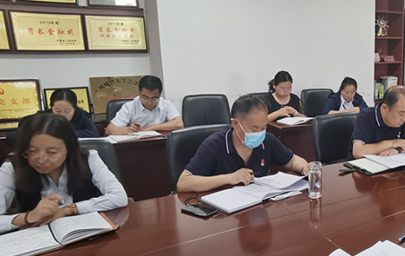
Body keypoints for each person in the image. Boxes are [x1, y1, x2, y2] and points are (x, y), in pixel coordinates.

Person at [0, 113, 127, 236]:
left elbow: (119, 197)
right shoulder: (12, 169)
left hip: (85, 238)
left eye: (52, 152)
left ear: (69, 148)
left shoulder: (88, 158)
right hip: (39, 242)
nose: (41, 159)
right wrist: (28, 217)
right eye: (32, 151)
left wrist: (68, 210)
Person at [176, 94, 310, 192]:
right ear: (235, 124)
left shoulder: (267, 140)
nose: (260, 133)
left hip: (256, 208)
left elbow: (292, 160)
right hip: (222, 213)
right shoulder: (214, 144)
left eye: (264, 127)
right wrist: (228, 178)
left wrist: (305, 168)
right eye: (255, 128)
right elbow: (183, 183)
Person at [349, 86, 405, 159]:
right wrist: (391, 143)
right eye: (401, 113)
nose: (404, 118)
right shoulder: (366, 116)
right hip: (360, 167)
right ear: (384, 108)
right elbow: (358, 152)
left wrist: (398, 150)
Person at [105, 75, 183, 135]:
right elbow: (109, 130)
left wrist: (151, 128)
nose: (149, 102)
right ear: (139, 93)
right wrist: (129, 129)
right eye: (145, 98)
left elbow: (179, 124)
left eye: (154, 99)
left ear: (159, 95)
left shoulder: (166, 104)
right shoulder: (130, 107)